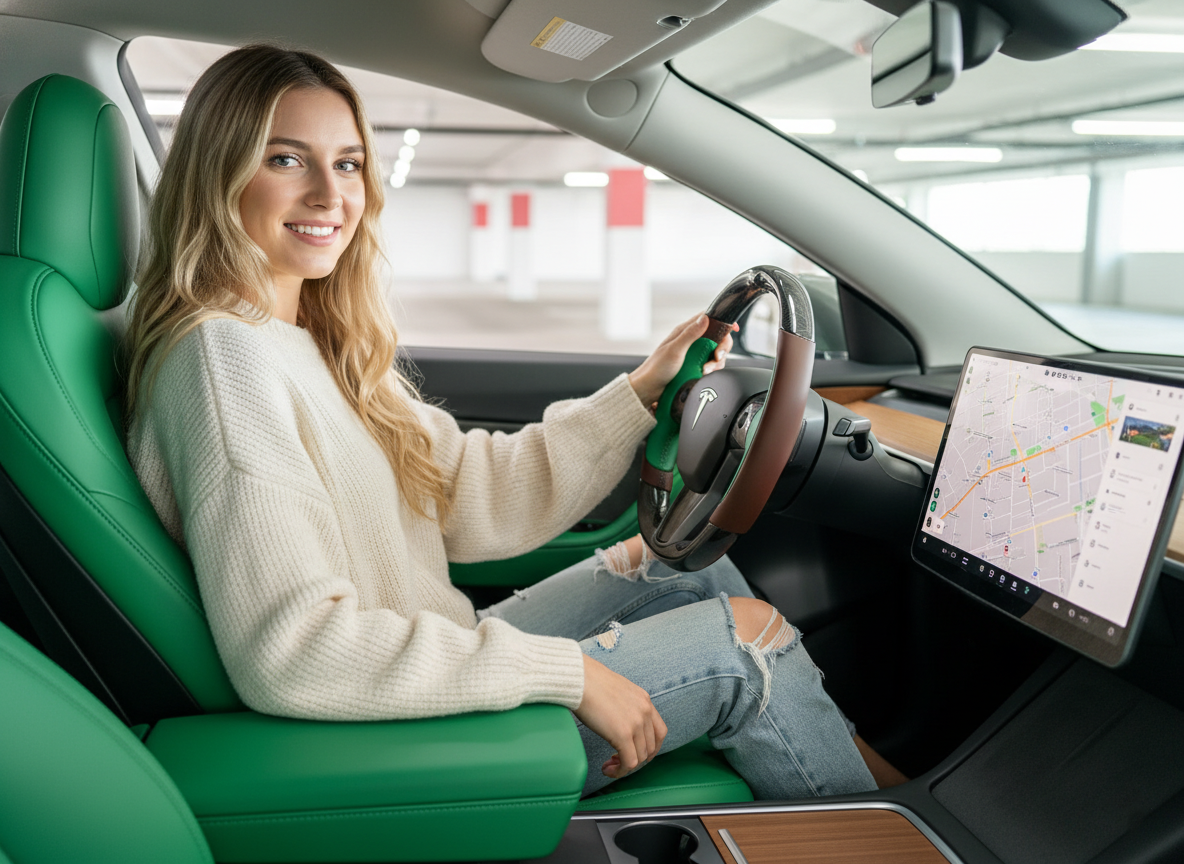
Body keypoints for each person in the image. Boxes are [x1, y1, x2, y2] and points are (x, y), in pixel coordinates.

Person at [126, 44, 895, 800]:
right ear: (218, 174)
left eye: (350, 163)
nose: (331, 195)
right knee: (749, 644)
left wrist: (635, 394)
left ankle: (891, 794)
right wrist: (567, 674)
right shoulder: (224, 361)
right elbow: (295, 652)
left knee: (671, 564)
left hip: (424, 669)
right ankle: (893, 828)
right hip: (388, 733)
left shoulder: (311, 343)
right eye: (286, 160)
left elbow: (464, 494)